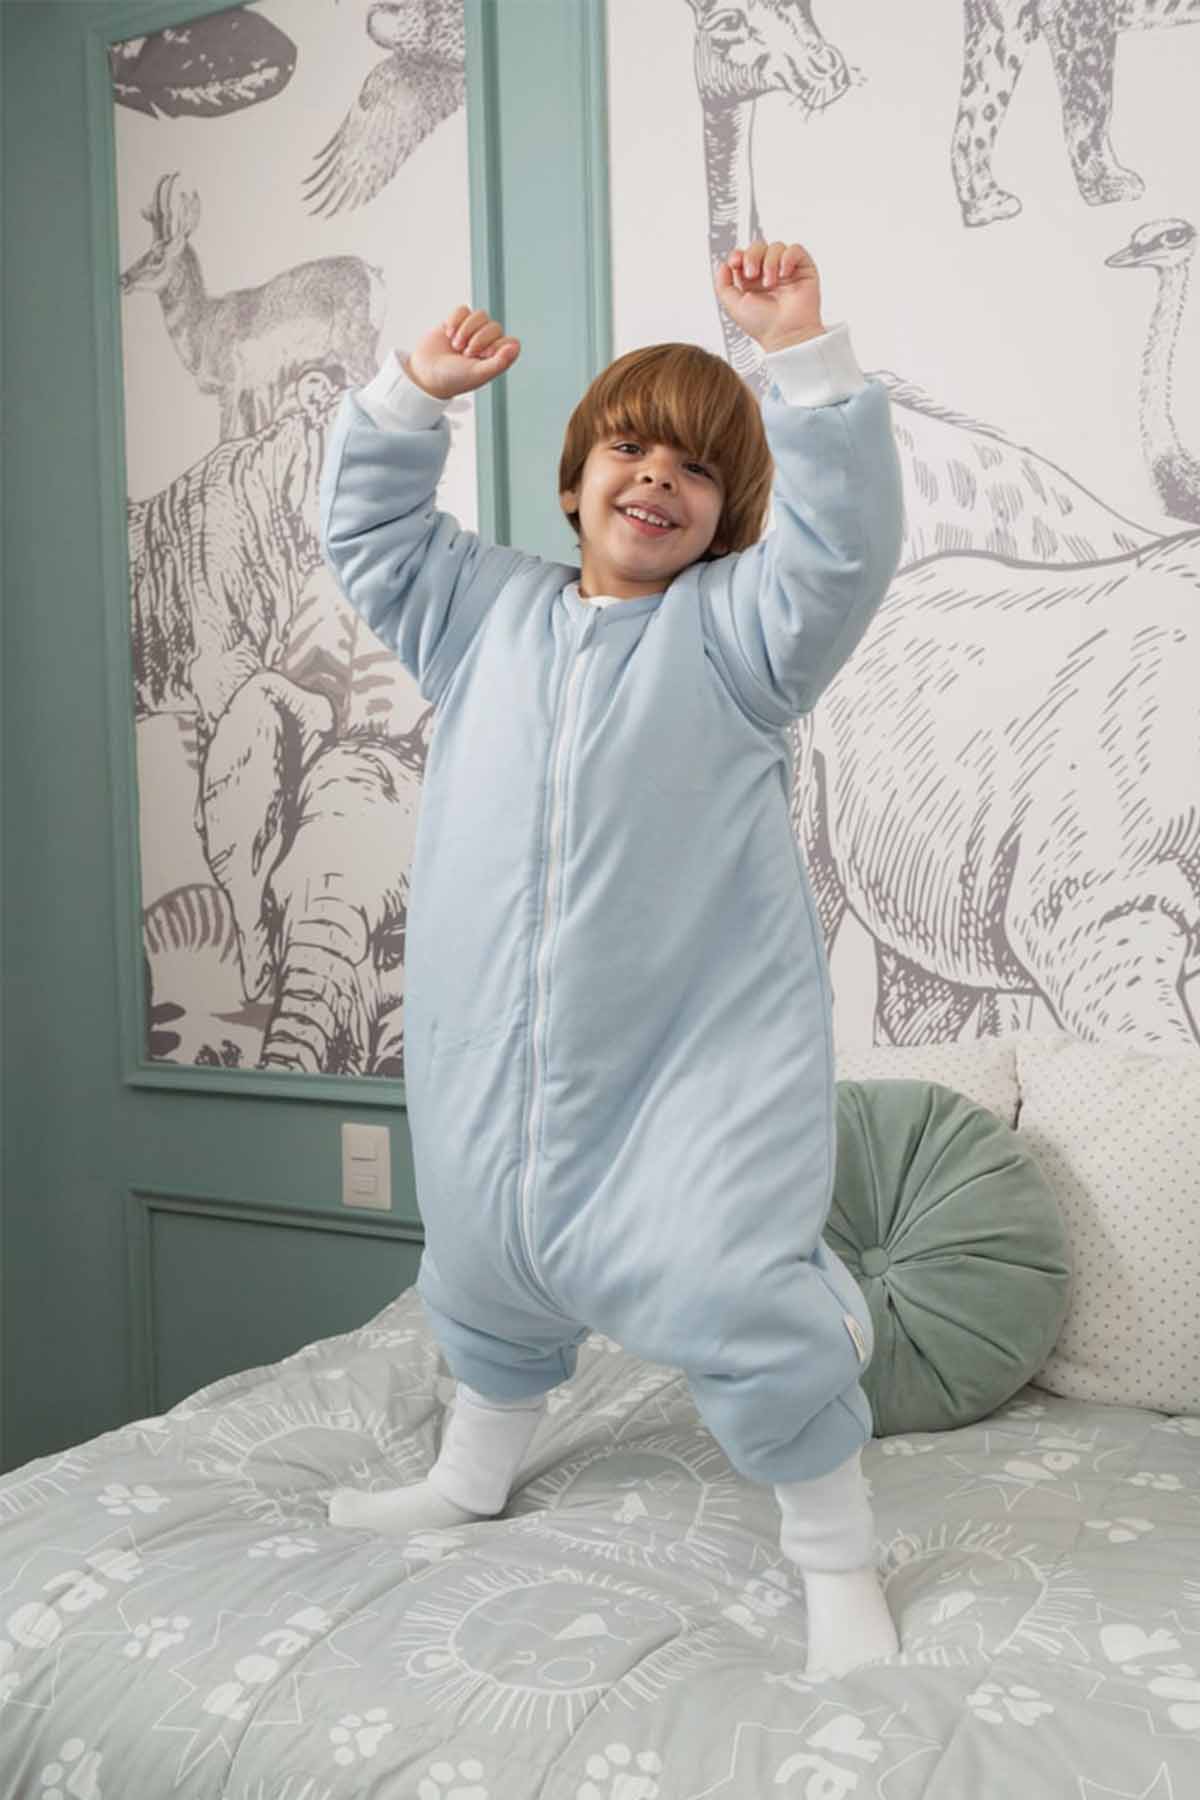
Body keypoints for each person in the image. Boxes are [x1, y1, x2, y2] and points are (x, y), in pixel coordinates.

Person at [320, 238, 904, 1680]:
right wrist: (411, 398)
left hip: (688, 1061)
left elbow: (843, 548)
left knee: (732, 1287)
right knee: (482, 1263)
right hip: (487, 1051)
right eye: (631, 449)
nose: (658, 480)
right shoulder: (480, 616)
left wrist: (803, 355)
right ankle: (471, 1474)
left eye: (698, 470)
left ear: (728, 517)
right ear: (576, 478)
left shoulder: (742, 637)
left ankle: (838, 1561)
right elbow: (370, 534)